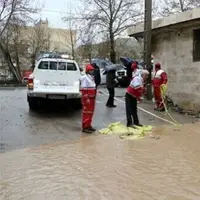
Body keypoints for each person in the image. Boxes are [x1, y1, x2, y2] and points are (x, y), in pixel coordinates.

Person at [80, 64, 96, 133]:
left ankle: (88, 125)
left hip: (92, 98)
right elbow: (84, 90)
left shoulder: (91, 78)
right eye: (91, 70)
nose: (92, 71)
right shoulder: (85, 78)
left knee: (90, 113)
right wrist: (86, 99)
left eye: (93, 70)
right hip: (88, 99)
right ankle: (85, 127)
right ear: (88, 71)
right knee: (86, 113)